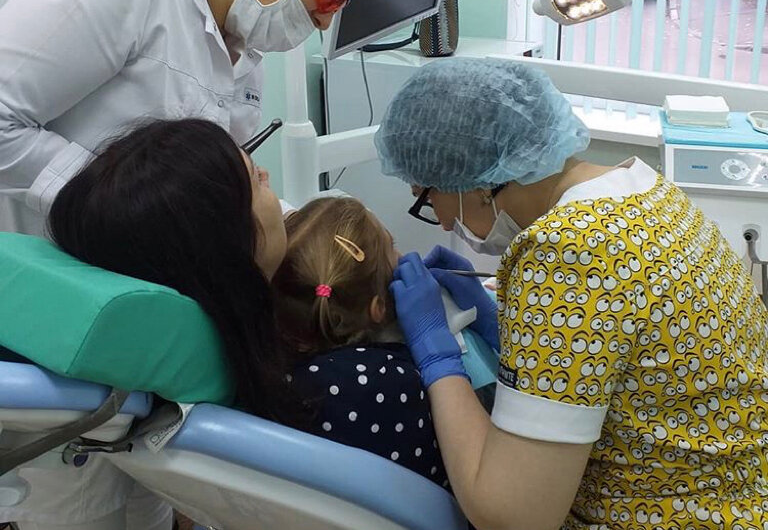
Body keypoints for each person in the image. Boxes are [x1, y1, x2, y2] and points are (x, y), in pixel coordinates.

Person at [374, 57, 768, 530]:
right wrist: (504, 329)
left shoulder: (567, 253)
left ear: (476, 183)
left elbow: (512, 516)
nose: (440, 222)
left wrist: (439, 358)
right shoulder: (643, 190)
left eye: (426, 197)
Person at [0, 0, 363, 237]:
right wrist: (124, 200)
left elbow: (211, 191)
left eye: (340, 4)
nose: (325, 20)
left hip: (132, 260)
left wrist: (303, 229)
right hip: (40, 254)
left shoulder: (245, 47)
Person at [1, 118, 291, 530]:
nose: (268, 179)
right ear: (225, 248)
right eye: (257, 180)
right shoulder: (207, 358)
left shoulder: (156, 340)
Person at [271, 197, 449, 488]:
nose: (402, 255)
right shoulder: (398, 380)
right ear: (378, 308)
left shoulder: (272, 367)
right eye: (392, 246)